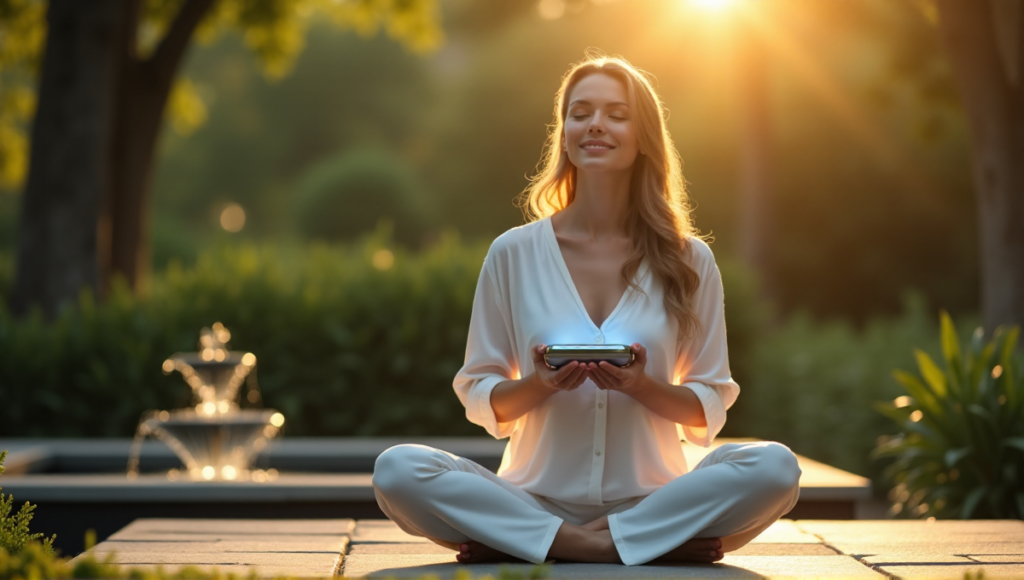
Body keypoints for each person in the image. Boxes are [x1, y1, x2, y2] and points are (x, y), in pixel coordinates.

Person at [371, 54, 801, 567]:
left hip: (655, 500)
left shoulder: (691, 260)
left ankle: (537, 542)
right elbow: (483, 396)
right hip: (530, 499)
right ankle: (604, 544)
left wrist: (642, 386)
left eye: (616, 114)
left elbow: (707, 407)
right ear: (565, 133)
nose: (595, 123)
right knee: (396, 471)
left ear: (643, 135)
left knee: (775, 468)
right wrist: (539, 384)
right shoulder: (512, 252)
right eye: (581, 112)